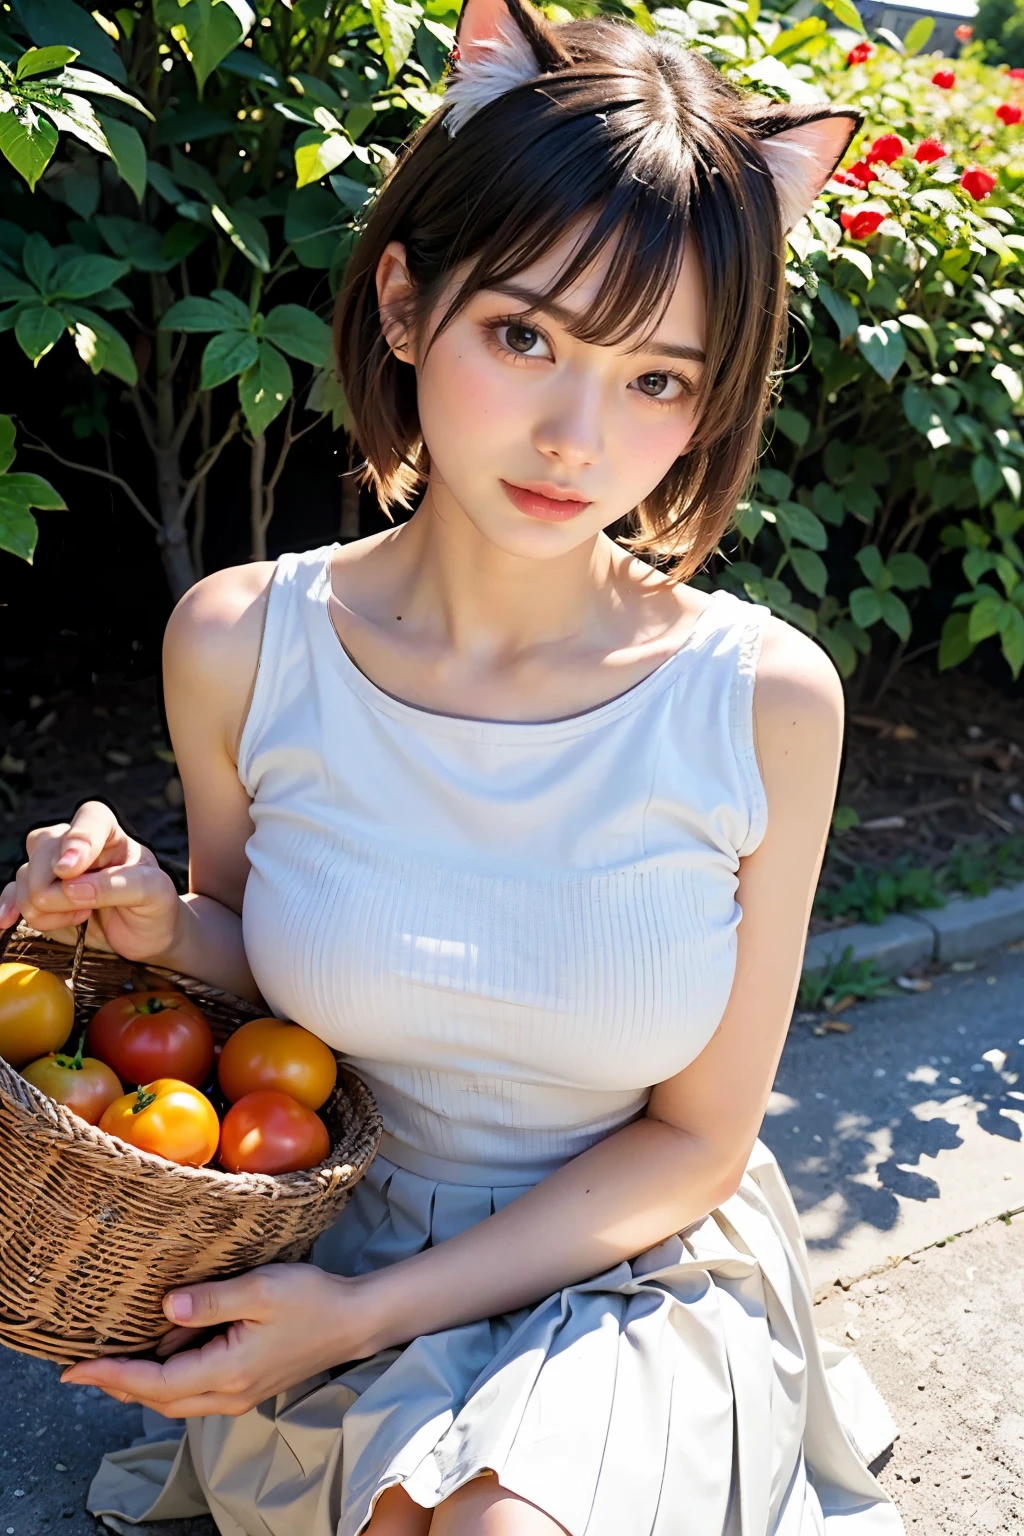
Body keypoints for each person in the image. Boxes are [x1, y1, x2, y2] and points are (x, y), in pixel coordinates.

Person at [0, 0, 907, 1530]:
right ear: (411, 304)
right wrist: (153, 928)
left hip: (631, 1270)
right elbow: (252, 985)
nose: (576, 433)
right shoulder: (242, 644)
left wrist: (372, 1318)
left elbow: (697, 1140)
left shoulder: (760, 702)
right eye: (525, 335)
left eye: (658, 380)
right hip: (327, 1240)